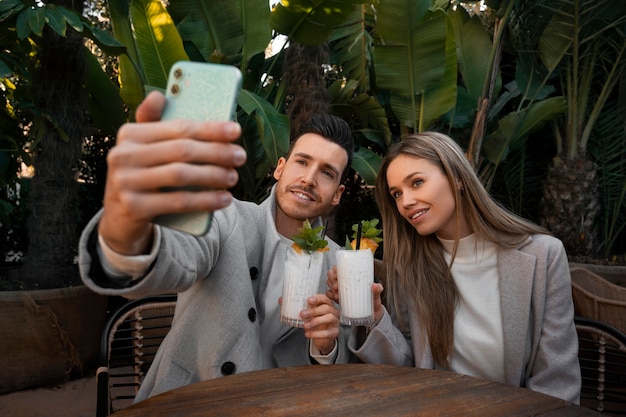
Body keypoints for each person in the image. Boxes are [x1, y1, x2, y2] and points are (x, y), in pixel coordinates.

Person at [78, 91, 355, 402]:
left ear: (337, 194)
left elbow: (339, 366)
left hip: (280, 404)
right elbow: (178, 257)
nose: (309, 178)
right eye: (302, 162)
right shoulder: (225, 217)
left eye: (327, 173)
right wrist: (131, 235)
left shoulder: (339, 262)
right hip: (193, 399)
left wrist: (325, 348)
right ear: (280, 168)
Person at [327, 132, 581, 403]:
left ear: (457, 178)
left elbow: (556, 379)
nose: (406, 202)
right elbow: (406, 369)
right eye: (397, 193)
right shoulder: (408, 267)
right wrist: (375, 317)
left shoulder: (543, 256)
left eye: (417, 182)